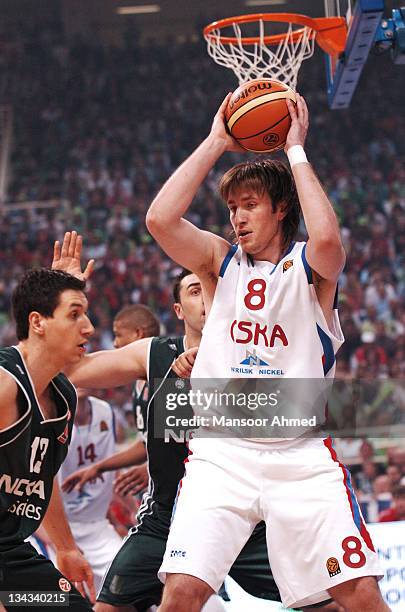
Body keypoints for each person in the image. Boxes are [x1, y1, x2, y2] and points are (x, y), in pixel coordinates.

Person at [145, 93, 387, 611]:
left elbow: (328, 240)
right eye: (232, 208)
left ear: (280, 209)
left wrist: (295, 150)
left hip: (298, 456)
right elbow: (161, 221)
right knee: (182, 593)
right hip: (222, 454)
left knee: (360, 594)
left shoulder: (311, 269)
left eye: (250, 204)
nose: (237, 217)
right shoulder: (218, 261)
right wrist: (216, 142)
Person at [51, 233, 283, 612]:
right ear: (178, 310)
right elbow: (73, 369)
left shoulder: (261, 352)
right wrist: (64, 296)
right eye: (194, 290)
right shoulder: (155, 354)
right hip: (167, 515)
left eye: (211, 287)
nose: (206, 295)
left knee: (336, 600)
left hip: (246, 516)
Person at [0, 267, 95, 609]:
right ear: (38, 322)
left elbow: (41, 475)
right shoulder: (4, 384)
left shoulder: (64, 396)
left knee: (69, 607)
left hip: (10, 556)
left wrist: (65, 547)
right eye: (74, 314)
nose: (88, 327)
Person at [56, 387, 123, 591]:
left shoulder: (105, 411)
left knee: (128, 584)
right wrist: (61, 545)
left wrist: (127, 509)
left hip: (96, 525)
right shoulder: (49, 417)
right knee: (54, 596)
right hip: (57, 530)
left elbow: (112, 472)